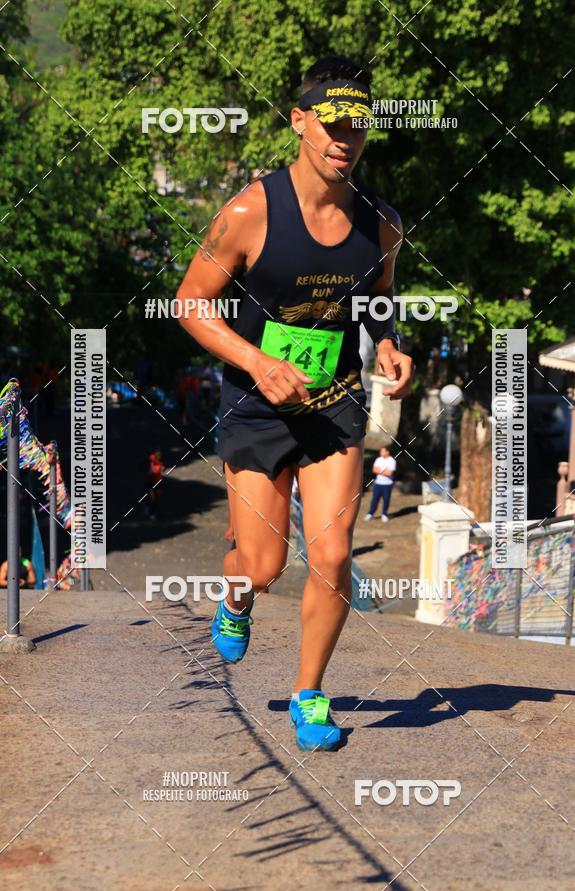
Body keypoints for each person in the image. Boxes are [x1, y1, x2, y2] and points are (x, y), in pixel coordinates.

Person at [177, 55, 414, 752]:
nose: (345, 139)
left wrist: (388, 344)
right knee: (264, 567)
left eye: (358, 128)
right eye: (332, 124)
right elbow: (191, 303)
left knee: (334, 553)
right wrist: (256, 360)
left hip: (333, 403)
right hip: (255, 405)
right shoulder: (252, 211)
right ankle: (238, 598)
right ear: (300, 122)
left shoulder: (382, 224)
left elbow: (376, 300)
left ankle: (310, 695)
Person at [364, 446, 397, 522]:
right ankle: (370, 514)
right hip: (378, 483)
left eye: (382, 451)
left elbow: (389, 473)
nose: (380, 453)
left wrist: (380, 471)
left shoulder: (392, 461)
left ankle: (384, 514)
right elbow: (374, 470)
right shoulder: (378, 459)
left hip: (387, 484)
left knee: (386, 499)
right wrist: (383, 471)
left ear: (387, 452)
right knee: (374, 499)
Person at [146, 449, 165, 519]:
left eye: (160, 455)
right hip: (151, 482)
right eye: (158, 454)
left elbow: (161, 470)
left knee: (156, 498)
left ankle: (151, 510)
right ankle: (151, 513)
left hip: (158, 482)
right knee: (152, 498)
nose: (160, 456)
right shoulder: (150, 461)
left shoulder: (161, 461)